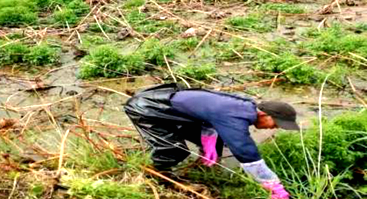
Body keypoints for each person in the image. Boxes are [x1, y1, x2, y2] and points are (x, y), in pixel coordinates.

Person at [125, 84, 299, 199]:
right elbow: (246, 153)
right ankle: (155, 175)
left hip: (173, 109)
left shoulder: (246, 106)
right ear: (265, 114)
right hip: (148, 108)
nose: (274, 128)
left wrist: (208, 143)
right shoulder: (236, 117)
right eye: (275, 123)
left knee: (218, 141)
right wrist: (272, 184)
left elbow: (212, 117)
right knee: (175, 150)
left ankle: (203, 166)